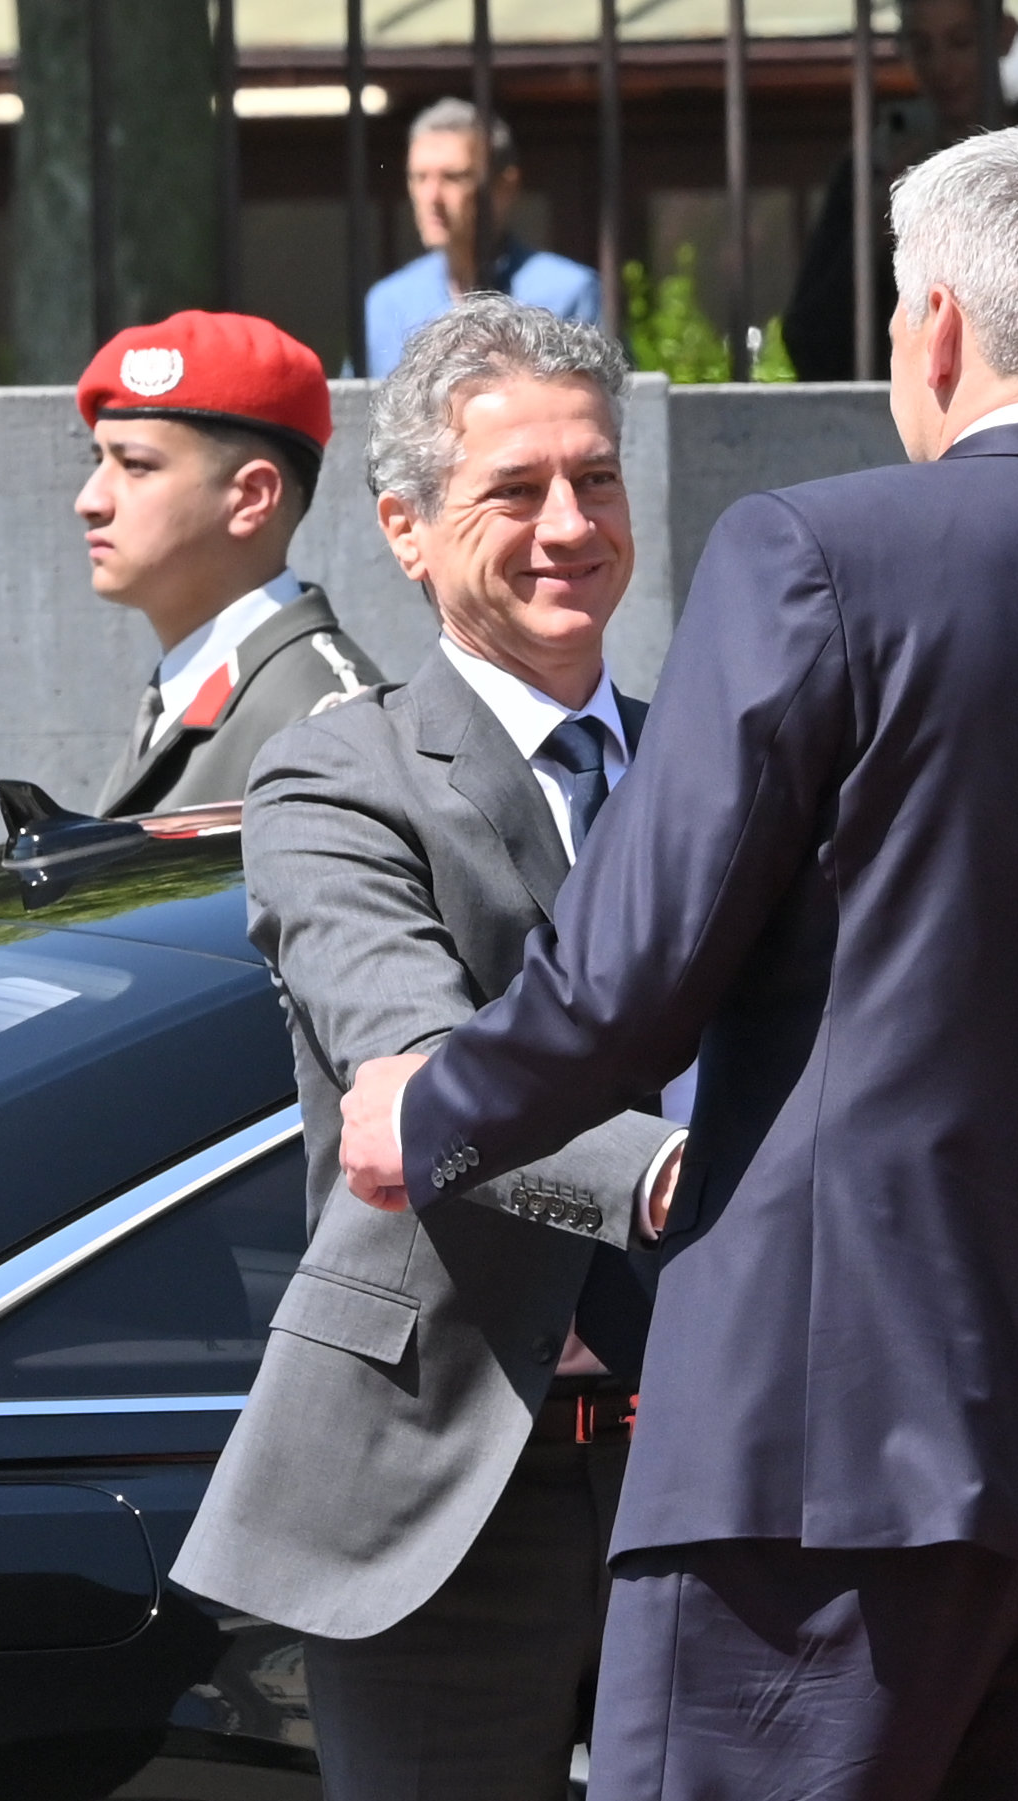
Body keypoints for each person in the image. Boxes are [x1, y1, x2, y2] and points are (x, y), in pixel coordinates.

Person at [340, 127, 1018, 1798]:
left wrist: (438, 1109)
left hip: (811, 1475)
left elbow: (626, 973)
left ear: (937, 332)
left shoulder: (818, 561)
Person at [170, 295, 689, 1799]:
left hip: (712, 1466)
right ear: (403, 530)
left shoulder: (724, 764)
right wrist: (681, 1179)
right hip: (443, 1486)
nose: (566, 525)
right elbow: (419, 1077)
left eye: (594, 480)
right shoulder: (338, 772)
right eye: (512, 491)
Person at [74, 310, 384, 817]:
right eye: (98, 462)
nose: (90, 499)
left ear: (251, 498)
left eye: (136, 466)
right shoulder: (182, 692)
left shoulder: (334, 725)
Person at [781, 0, 1018, 381]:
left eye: (960, 41)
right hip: (907, 410)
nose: (941, 66)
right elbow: (809, 337)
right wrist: (875, 232)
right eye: (921, 45)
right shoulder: (874, 167)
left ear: (1005, 35)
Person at [364, 100, 601, 378]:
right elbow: (357, 411)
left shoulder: (569, 293)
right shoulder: (388, 302)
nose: (432, 197)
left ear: (505, 187)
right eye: (419, 177)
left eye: (453, 177)